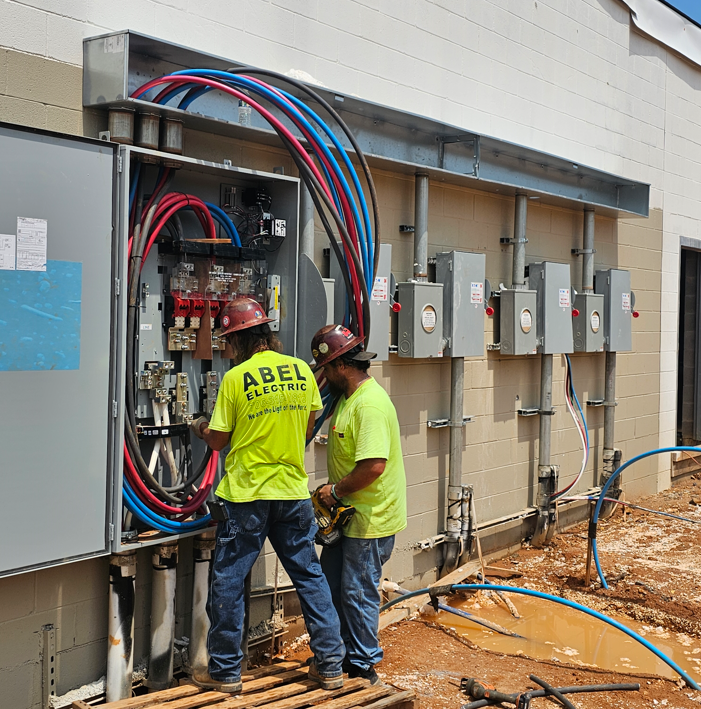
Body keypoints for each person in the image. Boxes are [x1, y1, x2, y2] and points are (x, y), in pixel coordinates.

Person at [189, 297, 344, 693]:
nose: (227, 348)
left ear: (238, 339)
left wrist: (200, 426)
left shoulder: (236, 378)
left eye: (228, 341)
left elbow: (220, 440)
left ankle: (225, 673)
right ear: (267, 332)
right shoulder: (302, 372)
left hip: (247, 496)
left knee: (228, 579)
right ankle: (330, 665)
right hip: (292, 492)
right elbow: (309, 427)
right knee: (309, 576)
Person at [311, 324, 407, 686]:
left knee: (357, 592)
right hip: (350, 517)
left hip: (371, 519)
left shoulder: (368, 405)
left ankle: (363, 666)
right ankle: (339, 655)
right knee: (331, 585)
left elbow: (373, 466)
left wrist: (334, 491)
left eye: (325, 369)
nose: (323, 377)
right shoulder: (348, 396)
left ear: (340, 366)